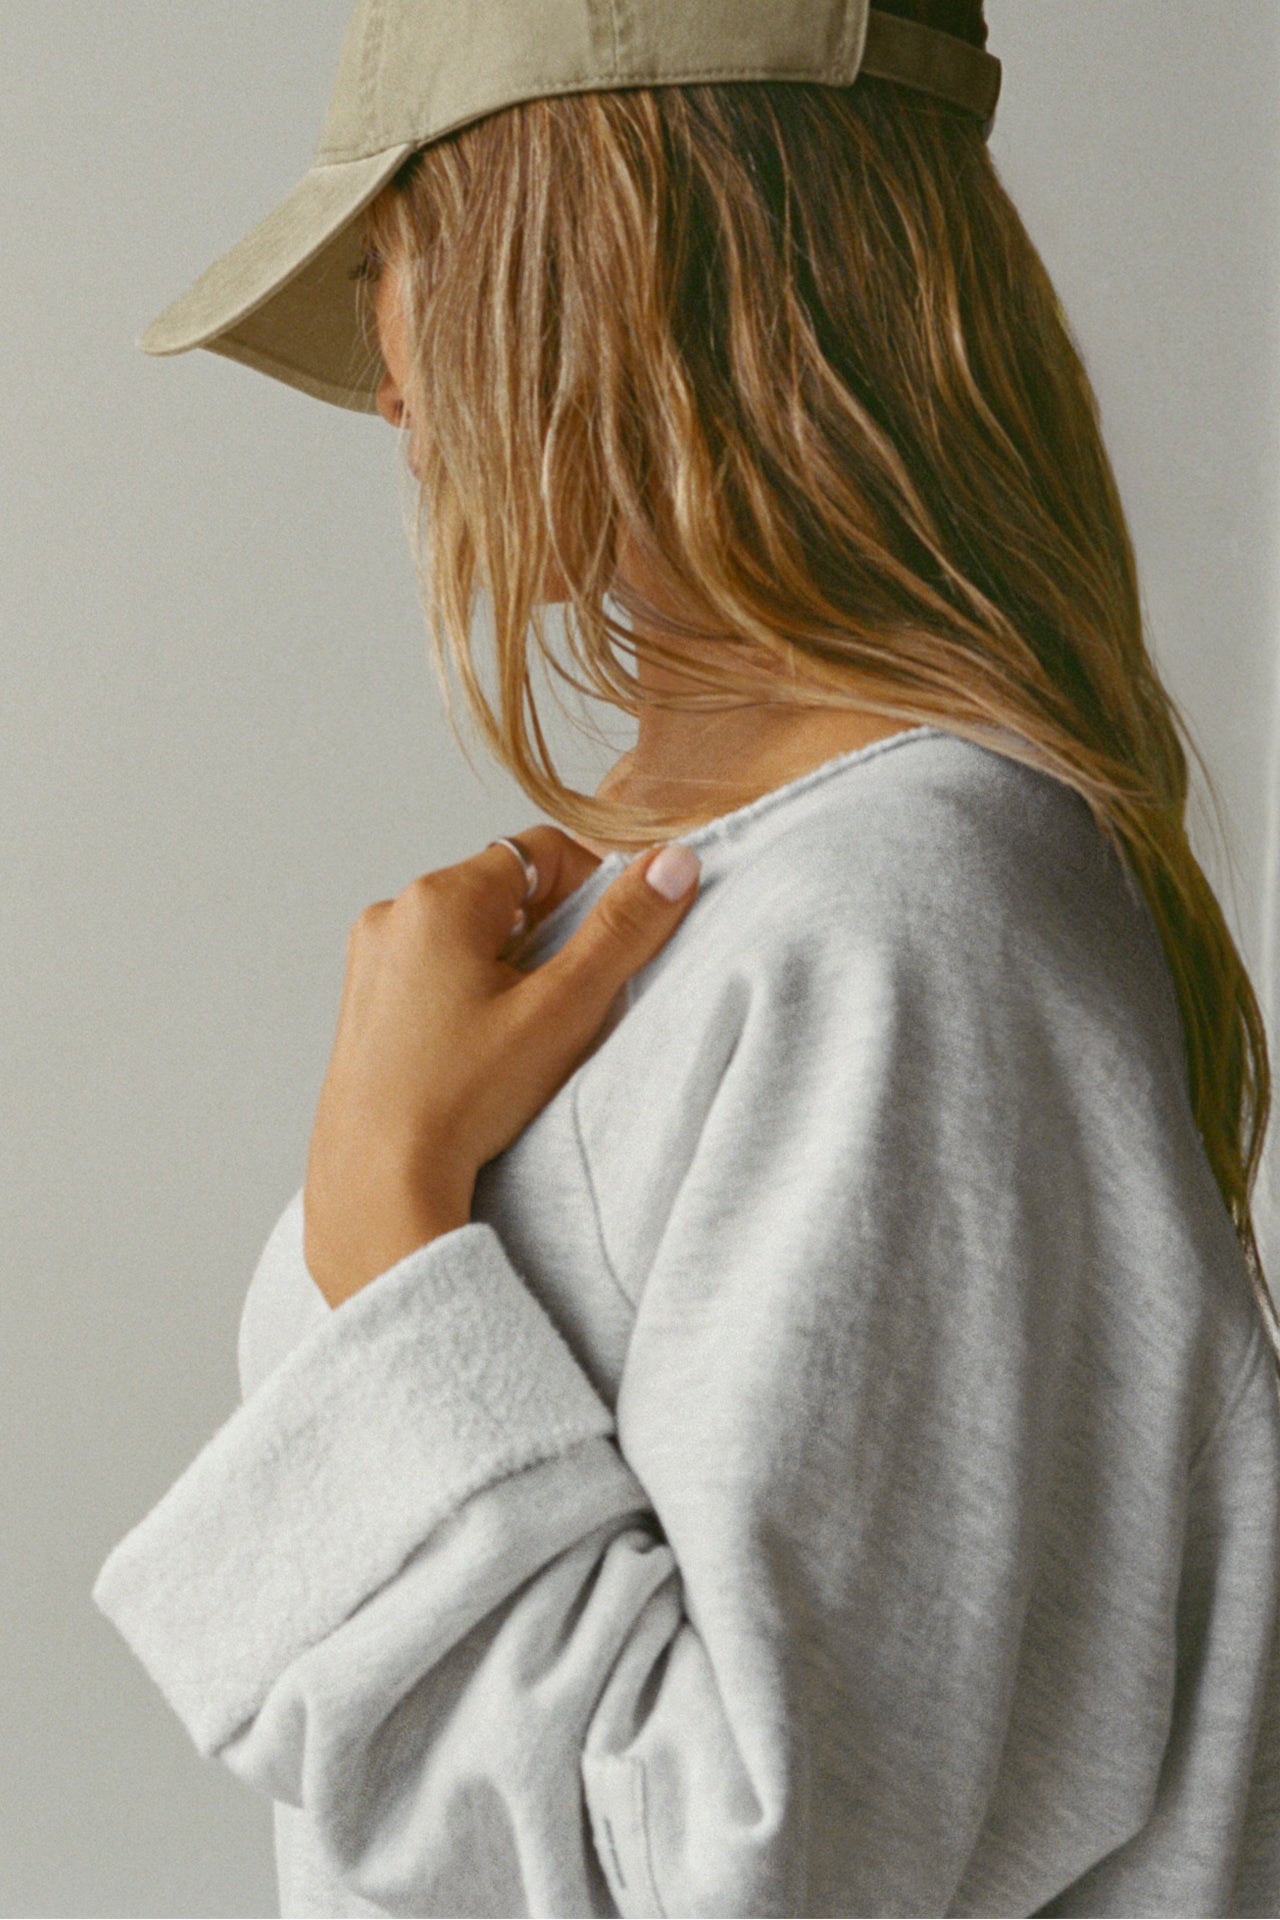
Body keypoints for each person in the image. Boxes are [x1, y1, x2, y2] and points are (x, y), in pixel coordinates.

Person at [93, 2, 1280, 1914]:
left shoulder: (899, 926)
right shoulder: (786, 898)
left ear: (602, 244)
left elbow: (744, 1870)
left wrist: (384, 1218)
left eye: (400, 254)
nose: (389, 375)